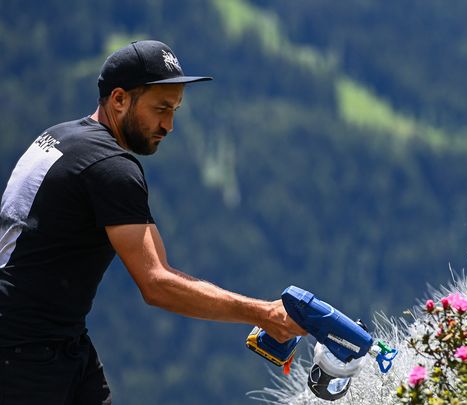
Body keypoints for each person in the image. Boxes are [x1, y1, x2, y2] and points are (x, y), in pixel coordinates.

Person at [0, 40, 306, 404]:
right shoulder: (110, 166)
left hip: (52, 340)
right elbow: (157, 284)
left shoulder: (58, 137)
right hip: (27, 353)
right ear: (119, 99)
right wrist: (265, 313)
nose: (169, 125)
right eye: (161, 109)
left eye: (175, 109)